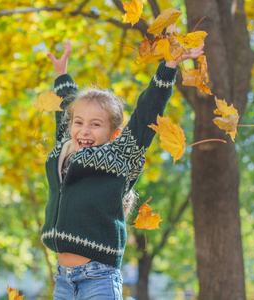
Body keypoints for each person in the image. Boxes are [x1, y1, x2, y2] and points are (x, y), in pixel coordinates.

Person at [42, 40, 204, 299]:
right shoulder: (65, 147)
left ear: (114, 134)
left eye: (95, 125)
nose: (84, 130)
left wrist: (169, 65)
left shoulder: (119, 155)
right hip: (62, 281)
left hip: (99, 278)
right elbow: (66, 112)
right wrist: (62, 75)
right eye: (79, 123)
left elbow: (146, 114)